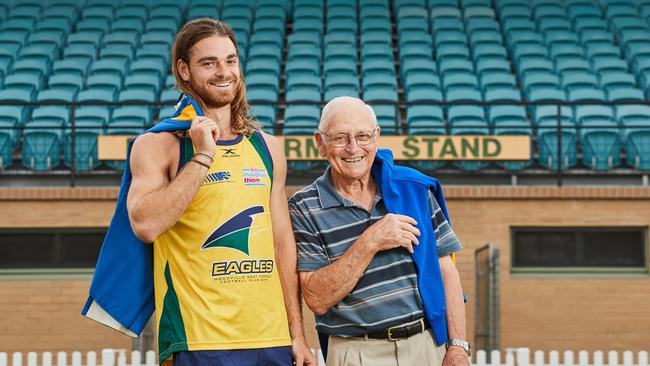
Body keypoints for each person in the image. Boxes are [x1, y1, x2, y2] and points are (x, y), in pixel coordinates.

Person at [124, 18, 315, 365]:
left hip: (271, 338)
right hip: (199, 339)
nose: (223, 71)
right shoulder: (158, 145)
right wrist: (202, 156)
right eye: (208, 62)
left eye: (230, 60)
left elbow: (282, 244)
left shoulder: (268, 148)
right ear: (184, 70)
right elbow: (146, 225)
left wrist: (297, 334)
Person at [288, 96, 470, 366]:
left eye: (363, 136)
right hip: (356, 351)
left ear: (377, 137)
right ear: (320, 143)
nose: (353, 148)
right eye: (340, 138)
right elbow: (317, 299)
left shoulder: (413, 189)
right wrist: (371, 240)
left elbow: (447, 273)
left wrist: (457, 346)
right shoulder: (304, 207)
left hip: (426, 344)